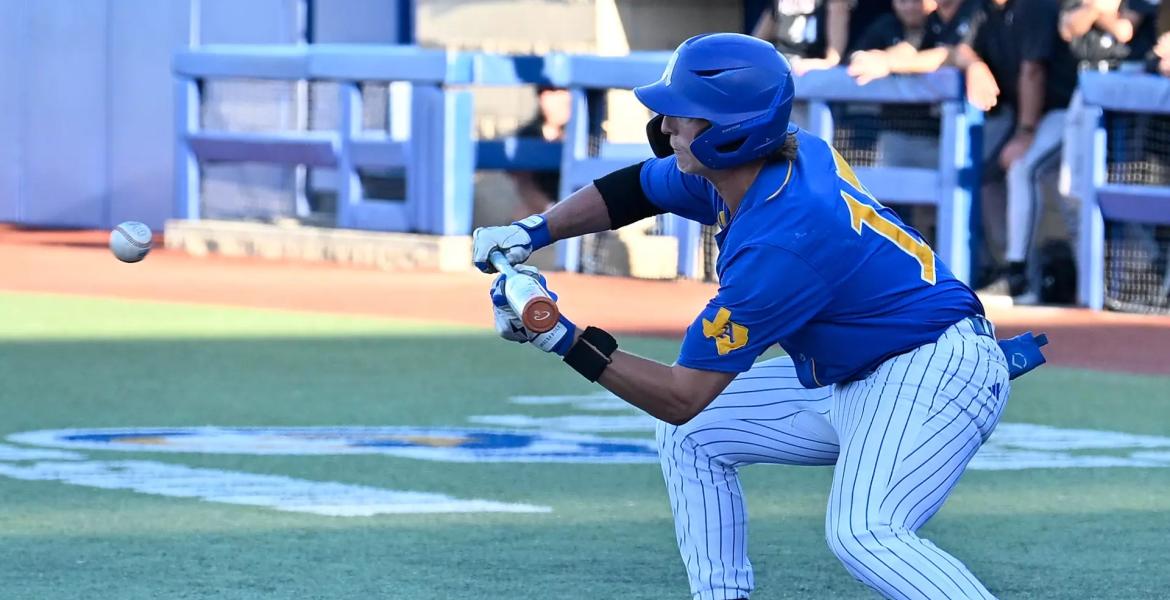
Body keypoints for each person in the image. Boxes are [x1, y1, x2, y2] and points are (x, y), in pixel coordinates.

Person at [472, 33, 1047, 600]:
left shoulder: (782, 245)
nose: (667, 126)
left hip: (931, 373)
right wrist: (532, 231)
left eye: (683, 114)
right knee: (692, 438)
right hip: (865, 372)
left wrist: (562, 338)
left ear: (731, 132)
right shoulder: (761, 165)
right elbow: (636, 189)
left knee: (866, 532)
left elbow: (681, 393)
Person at [948, 0, 1080, 302]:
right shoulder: (983, 8)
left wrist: (1026, 133)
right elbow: (959, 46)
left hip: (1066, 112)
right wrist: (974, 63)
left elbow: (1033, 70)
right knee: (986, 174)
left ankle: (1020, 278)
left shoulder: (1034, 6)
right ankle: (1003, 268)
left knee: (1025, 167)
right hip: (1031, 115)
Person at [507, 86, 572, 222]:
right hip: (542, 213)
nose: (561, 99)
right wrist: (552, 212)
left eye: (564, 91)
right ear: (541, 97)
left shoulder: (589, 135)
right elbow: (524, 185)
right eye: (552, 92)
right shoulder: (527, 136)